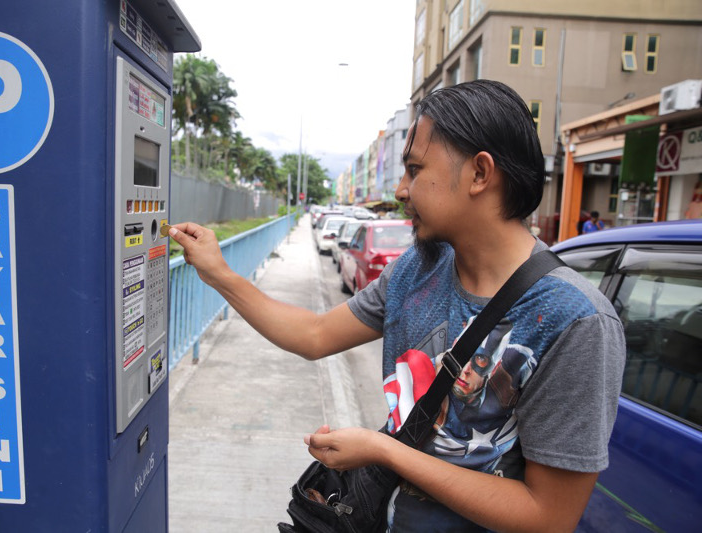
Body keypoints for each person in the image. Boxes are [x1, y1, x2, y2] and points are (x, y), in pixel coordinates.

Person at [168, 79, 626, 532]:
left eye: (414, 169)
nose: (402, 189)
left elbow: (547, 517)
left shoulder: (575, 320)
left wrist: (382, 449)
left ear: (480, 174)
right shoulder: (417, 268)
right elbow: (314, 335)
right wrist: (218, 273)